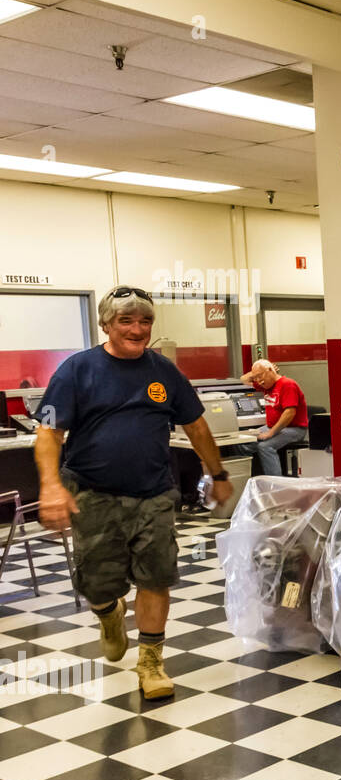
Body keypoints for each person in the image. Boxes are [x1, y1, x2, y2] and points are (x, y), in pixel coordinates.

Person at [35, 286, 233, 699]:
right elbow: (49, 431)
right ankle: (108, 612)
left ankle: (150, 663)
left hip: (155, 493)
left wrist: (217, 473)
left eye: (145, 321)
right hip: (93, 495)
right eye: (126, 320)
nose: (138, 329)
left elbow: (195, 425)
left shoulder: (164, 372)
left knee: (155, 576)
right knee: (96, 583)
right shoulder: (76, 370)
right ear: (107, 324)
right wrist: (51, 486)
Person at [233, 359, 309, 476]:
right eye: (256, 378)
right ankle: (249, 477)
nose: (259, 381)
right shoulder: (266, 386)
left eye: (260, 376)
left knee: (265, 447)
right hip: (272, 427)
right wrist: (256, 373)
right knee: (242, 442)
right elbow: (243, 379)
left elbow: (289, 413)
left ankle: (275, 484)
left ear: (270, 371)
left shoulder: (287, 384)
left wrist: (271, 433)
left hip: (295, 429)